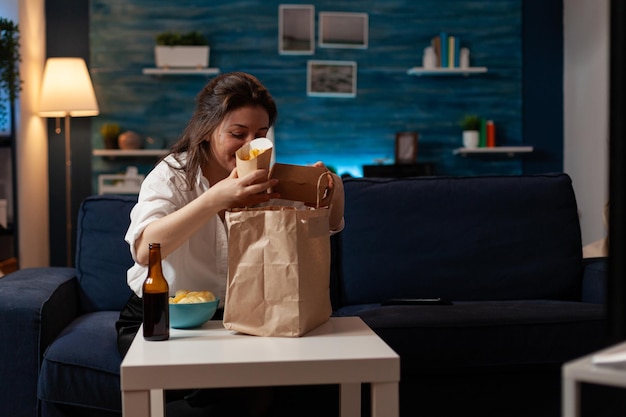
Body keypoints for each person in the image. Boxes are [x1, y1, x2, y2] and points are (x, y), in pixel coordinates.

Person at [115, 71, 345, 417]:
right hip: (164, 320)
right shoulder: (172, 176)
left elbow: (324, 229)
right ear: (207, 130)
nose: (250, 145)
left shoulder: (268, 180)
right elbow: (145, 248)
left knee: (286, 384)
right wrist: (214, 199)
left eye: (261, 135)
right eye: (238, 134)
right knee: (242, 392)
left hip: (240, 321)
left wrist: (333, 192)